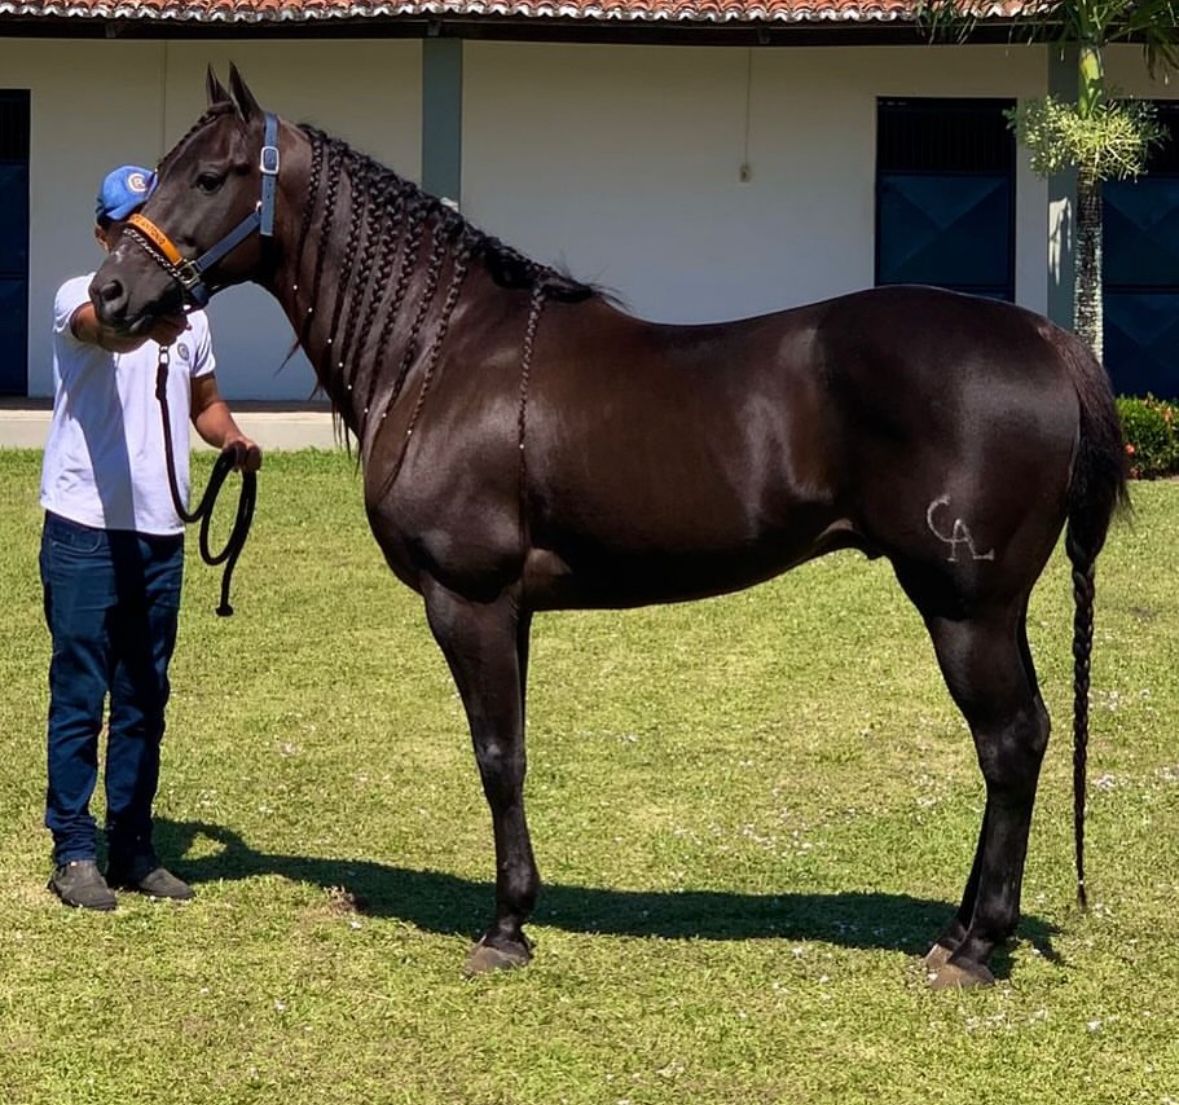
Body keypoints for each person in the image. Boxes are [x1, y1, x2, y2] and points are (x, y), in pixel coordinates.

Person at [39, 164, 262, 910]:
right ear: (104, 234)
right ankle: (73, 849)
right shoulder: (81, 293)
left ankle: (132, 845)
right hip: (83, 532)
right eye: (127, 226)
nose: (142, 237)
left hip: (160, 536)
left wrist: (229, 437)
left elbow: (206, 402)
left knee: (144, 697)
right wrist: (144, 320)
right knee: (80, 695)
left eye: (151, 223)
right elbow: (103, 334)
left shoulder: (193, 321)